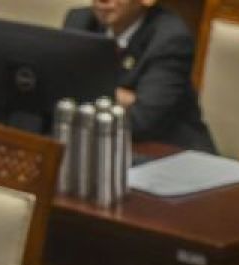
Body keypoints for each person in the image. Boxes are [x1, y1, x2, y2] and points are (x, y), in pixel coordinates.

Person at [64, 0, 215, 152]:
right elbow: (57, 92)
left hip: (171, 152)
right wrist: (123, 98)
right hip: (104, 144)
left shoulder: (171, 38)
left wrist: (85, 89)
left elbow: (142, 121)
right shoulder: (80, 21)